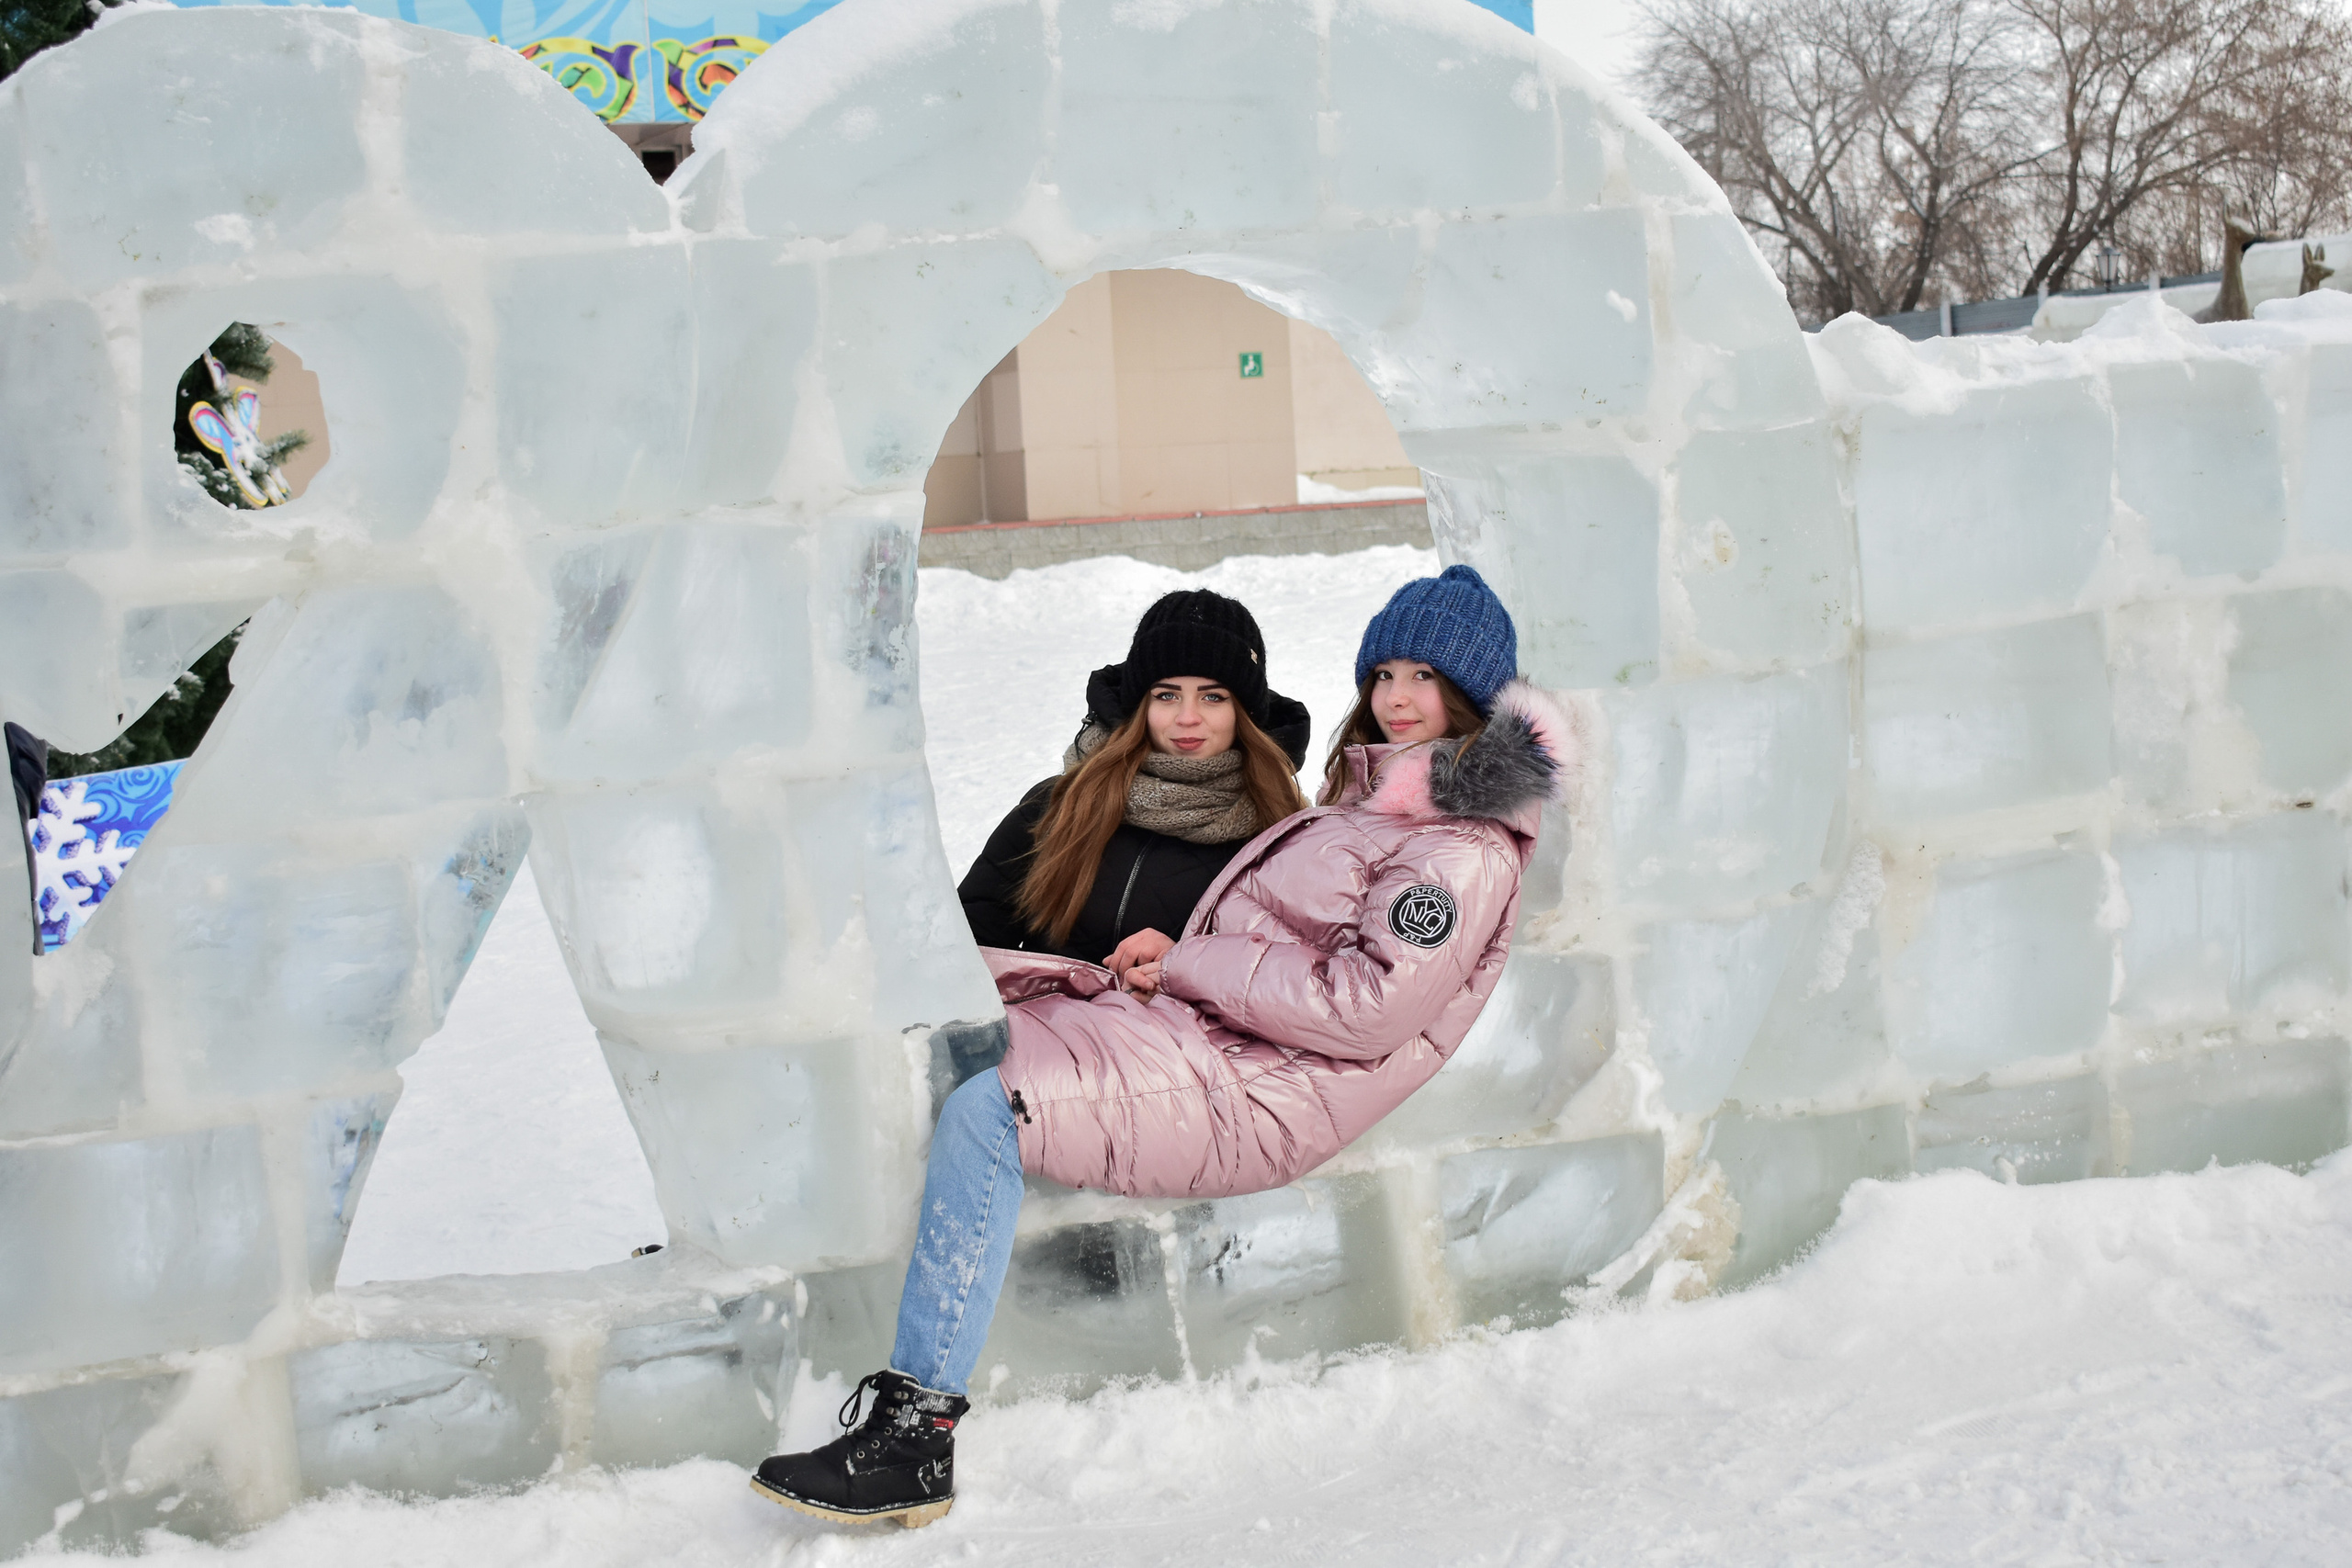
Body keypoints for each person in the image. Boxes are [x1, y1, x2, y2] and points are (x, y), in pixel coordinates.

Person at [752, 565, 1574, 1529]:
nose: (1397, 696)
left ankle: (914, 1437)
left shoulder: (1461, 846)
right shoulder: (1369, 805)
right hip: (1218, 1041)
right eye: (1384, 673)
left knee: (990, 1108)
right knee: (944, 1049)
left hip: (1261, 1086)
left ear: (1469, 694)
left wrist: (1187, 961)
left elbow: (1366, 1005)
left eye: (1424, 677)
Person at [956, 589, 1313, 969]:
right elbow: (963, 949)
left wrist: (1188, 965)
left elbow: (1297, 976)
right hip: (1043, 1009)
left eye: (1213, 697)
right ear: (1140, 704)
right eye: (1166, 696)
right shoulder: (1056, 805)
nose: (1187, 717)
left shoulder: (1283, 832)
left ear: (1245, 712)